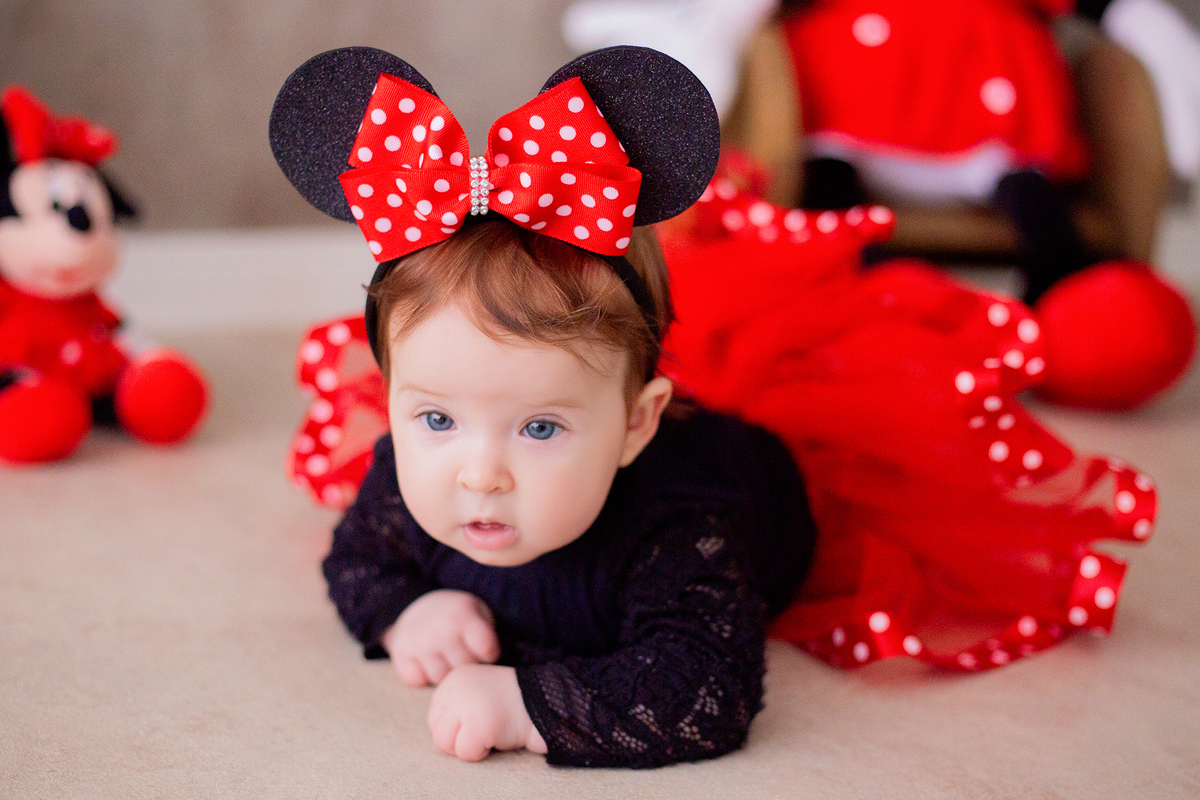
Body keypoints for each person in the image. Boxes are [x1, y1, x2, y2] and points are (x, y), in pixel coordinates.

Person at [272, 44, 1155, 769]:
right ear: (389, 400)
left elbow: (708, 687)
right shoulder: (405, 477)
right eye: (435, 418)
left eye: (541, 427)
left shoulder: (680, 525)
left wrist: (525, 705)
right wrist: (404, 611)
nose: (479, 471)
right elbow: (356, 559)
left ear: (638, 422)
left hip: (764, 490)